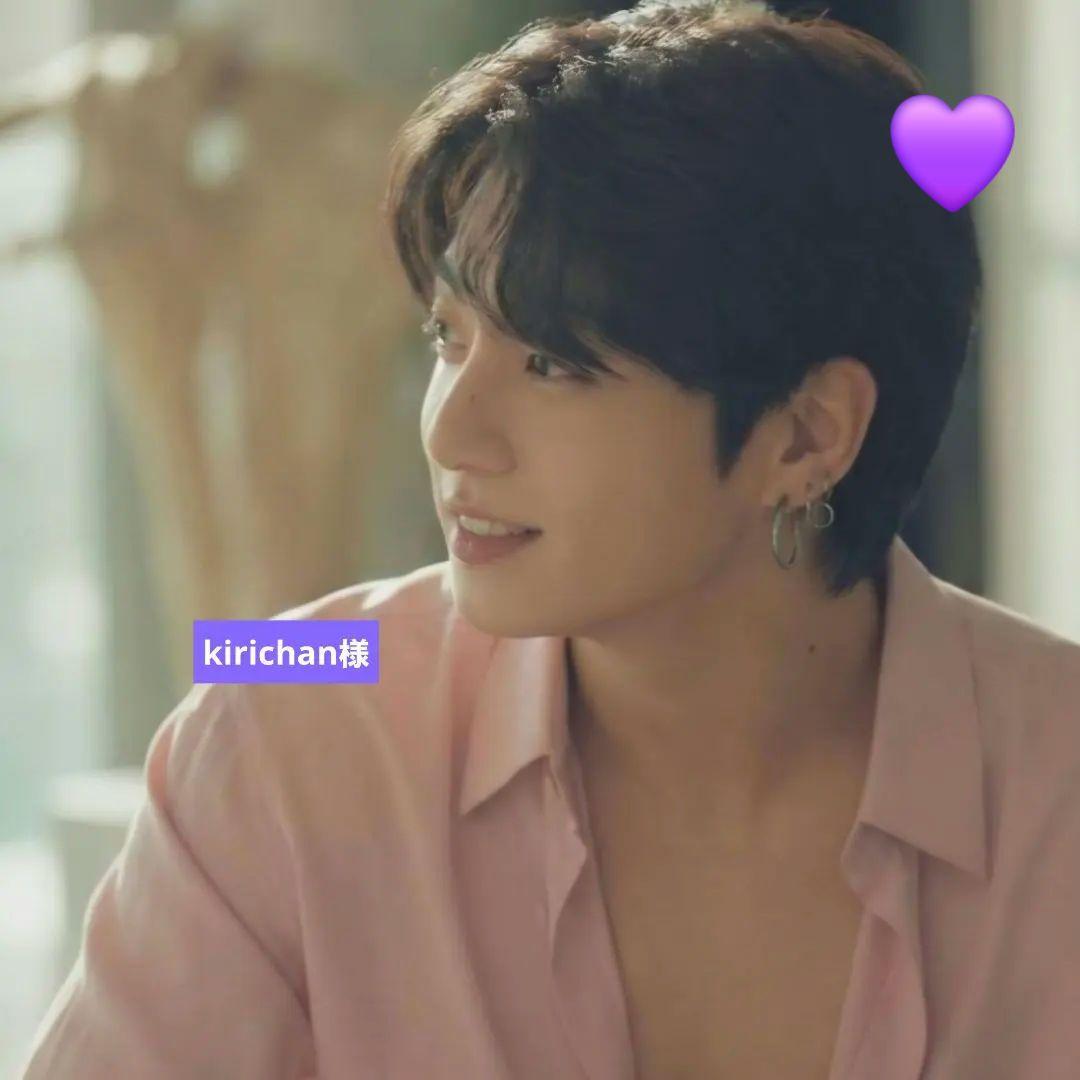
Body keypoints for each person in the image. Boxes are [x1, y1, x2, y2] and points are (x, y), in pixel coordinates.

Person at [19, 2, 1080, 1078]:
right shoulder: (279, 724)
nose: (451, 432)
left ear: (805, 435)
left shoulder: (1057, 779)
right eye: (448, 337)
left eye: (554, 365)